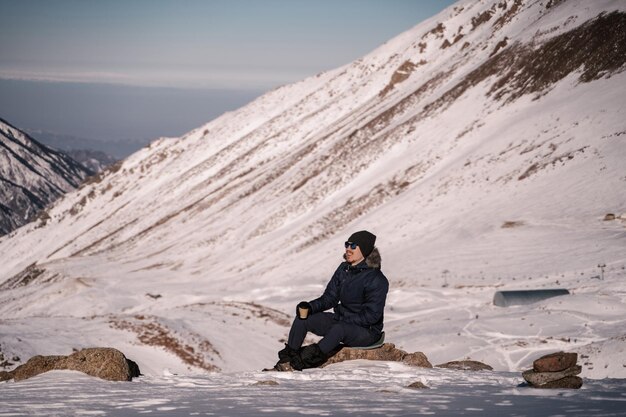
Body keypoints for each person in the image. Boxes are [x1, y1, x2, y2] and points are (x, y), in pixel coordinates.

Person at [274, 230, 389, 371]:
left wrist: (343, 319)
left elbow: (372, 316)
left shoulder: (377, 279)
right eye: (347, 244)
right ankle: (288, 358)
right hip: (342, 321)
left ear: (364, 250)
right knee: (303, 319)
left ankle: (303, 362)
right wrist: (310, 307)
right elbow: (330, 297)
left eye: (353, 246)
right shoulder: (344, 269)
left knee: (338, 329)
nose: (348, 249)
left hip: (367, 331)